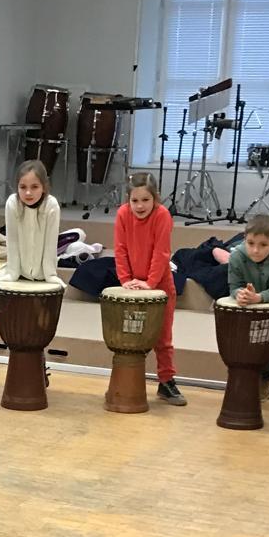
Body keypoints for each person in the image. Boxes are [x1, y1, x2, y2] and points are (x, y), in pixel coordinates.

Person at [115, 172, 183, 405]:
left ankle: (166, 381)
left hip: (160, 286)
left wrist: (150, 283)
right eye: (135, 200)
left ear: (156, 198)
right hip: (133, 285)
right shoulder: (123, 214)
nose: (140, 206)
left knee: (163, 338)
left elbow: (161, 252)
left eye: (145, 200)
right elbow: (120, 249)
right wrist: (125, 280)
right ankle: (128, 380)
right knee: (131, 337)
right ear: (128, 199)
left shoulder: (162, 215)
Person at [226, 215, 269, 396]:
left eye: (263, 245)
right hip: (243, 310)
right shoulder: (237, 255)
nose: (255, 250)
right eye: (251, 243)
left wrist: (259, 298)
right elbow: (234, 286)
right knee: (237, 348)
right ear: (244, 239)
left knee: (264, 350)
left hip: (268, 311)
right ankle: (237, 383)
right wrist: (240, 294)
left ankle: (265, 381)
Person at [0, 160, 62, 285]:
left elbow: (50, 243)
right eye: (23, 187)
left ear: (43, 187)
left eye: (34, 187)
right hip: (20, 271)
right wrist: (13, 272)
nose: (28, 193)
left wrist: (50, 274)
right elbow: (12, 240)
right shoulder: (13, 203)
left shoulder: (51, 205)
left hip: (42, 273)